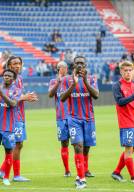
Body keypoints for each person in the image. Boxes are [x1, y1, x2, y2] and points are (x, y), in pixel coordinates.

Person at [0, 56, 38, 182]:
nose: (17, 66)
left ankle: (4, 171)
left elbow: (18, 97)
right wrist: (24, 97)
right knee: (16, 144)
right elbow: (9, 98)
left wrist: (26, 97)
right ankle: (11, 173)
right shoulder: (9, 80)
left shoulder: (19, 79)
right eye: (14, 64)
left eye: (19, 63)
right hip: (14, 117)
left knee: (18, 144)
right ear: (9, 66)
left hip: (20, 115)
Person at [60, 56, 99, 189]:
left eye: (82, 63)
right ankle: (81, 179)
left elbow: (96, 95)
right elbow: (62, 98)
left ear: (86, 65)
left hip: (89, 119)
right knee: (78, 146)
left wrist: (86, 81)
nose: (80, 65)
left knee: (86, 149)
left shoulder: (92, 78)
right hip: (73, 119)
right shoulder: (66, 80)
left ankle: (81, 173)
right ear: (73, 65)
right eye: (77, 63)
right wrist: (73, 84)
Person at [111, 61, 134, 183]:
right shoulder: (117, 85)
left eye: (129, 70)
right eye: (125, 70)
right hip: (126, 122)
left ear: (132, 71)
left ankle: (116, 172)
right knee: (128, 150)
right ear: (121, 72)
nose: (127, 72)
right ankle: (133, 177)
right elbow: (120, 102)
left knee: (131, 149)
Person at [48, 61, 71, 177]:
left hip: (73, 116)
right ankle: (67, 170)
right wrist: (58, 82)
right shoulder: (53, 81)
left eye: (65, 67)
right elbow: (51, 94)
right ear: (58, 69)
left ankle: (83, 169)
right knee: (64, 143)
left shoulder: (71, 80)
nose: (64, 69)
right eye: (62, 67)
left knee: (79, 143)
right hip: (61, 117)